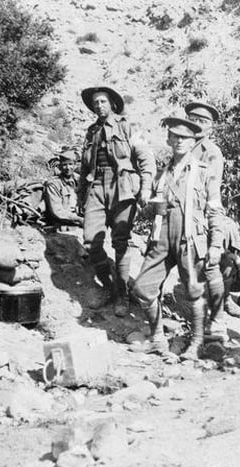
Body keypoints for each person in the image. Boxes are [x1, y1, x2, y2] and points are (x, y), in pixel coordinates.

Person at [130, 117, 225, 360]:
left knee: (194, 291)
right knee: (143, 287)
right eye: (176, 136)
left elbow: (215, 211)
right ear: (169, 140)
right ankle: (158, 339)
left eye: (186, 137)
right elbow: (147, 211)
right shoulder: (161, 175)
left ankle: (196, 343)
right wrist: (150, 206)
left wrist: (215, 244)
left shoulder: (204, 172)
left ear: (193, 141)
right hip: (161, 237)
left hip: (190, 239)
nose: (180, 141)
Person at [78, 86, 157, 317]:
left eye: (102, 101)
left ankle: (121, 294)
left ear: (112, 104)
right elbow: (84, 168)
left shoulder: (127, 126)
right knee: (91, 241)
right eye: (95, 103)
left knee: (120, 241)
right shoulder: (91, 131)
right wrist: (80, 194)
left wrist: (145, 187)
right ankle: (110, 286)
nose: (99, 106)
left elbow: (145, 159)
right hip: (96, 187)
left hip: (122, 187)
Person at [184, 100, 229, 343]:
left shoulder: (211, 152)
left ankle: (218, 319)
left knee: (210, 266)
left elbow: (211, 192)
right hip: (179, 214)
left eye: (203, 121)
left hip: (201, 212)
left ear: (211, 127)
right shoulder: (182, 145)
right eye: (193, 119)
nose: (197, 125)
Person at [43, 148, 83, 228]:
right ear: (60, 167)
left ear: (75, 165)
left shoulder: (79, 180)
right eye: (65, 165)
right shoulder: (53, 185)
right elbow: (58, 211)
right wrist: (79, 219)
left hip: (79, 220)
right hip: (62, 223)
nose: (68, 168)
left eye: (70, 164)